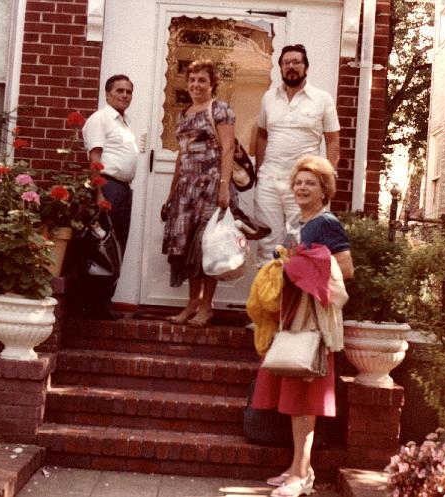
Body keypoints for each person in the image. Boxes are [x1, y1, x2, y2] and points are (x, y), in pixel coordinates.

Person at [250, 155, 353, 497]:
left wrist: (298, 270)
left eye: (311, 183)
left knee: (306, 398)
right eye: (298, 182)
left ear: (325, 190)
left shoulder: (326, 223)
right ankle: (298, 468)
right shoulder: (300, 222)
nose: (302, 187)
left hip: (313, 322)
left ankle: (302, 476)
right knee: (296, 397)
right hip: (294, 316)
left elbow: (345, 269)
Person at [161, 59, 238, 327]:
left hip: (211, 185)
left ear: (212, 83)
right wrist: (171, 195)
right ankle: (192, 302)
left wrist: (224, 186)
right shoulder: (185, 114)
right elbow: (182, 156)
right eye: (192, 80)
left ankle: (207, 305)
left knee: (208, 247)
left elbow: (227, 149)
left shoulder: (220, 109)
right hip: (186, 189)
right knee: (188, 249)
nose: (196, 85)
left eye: (202, 80)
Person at [254, 44, 341, 266]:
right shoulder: (268, 98)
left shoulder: (322, 99)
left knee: (300, 243)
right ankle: (269, 298)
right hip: (269, 182)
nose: (291, 67)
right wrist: (259, 172)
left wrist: (326, 181)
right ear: (280, 68)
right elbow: (262, 136)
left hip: (303, 185)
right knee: (267, 242)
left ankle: (293, 300)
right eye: (286, 63)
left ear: (306, 67)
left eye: (296, 62)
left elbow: (333, 142)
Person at [82, 74, 139, 320]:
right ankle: (94, 303)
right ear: (107, 94)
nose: (124, 95)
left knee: (116, 246)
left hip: (123, 189)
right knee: (102, 246)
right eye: (119, 91)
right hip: (108, 188)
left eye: (128, 91)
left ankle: (104, 300)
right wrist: (98, 193)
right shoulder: (100, 119)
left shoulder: (123, 123)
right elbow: (94, 159)